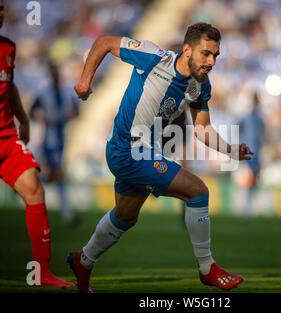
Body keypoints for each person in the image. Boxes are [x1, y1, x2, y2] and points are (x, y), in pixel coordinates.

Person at [68, 22, 254, 293]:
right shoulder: (153, 57)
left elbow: (202, 128)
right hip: (126, 149)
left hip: (147, 152)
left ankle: (82, 261)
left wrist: (230, 149)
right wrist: (85, 81)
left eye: (215, 55)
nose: (211, 61)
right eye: (206, 54)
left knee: (125, 216)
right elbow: (106, 42)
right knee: (198, 191)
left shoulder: (200, 86)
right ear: (187, 50)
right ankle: (207, 267)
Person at [0, 0, 74, 287]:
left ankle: (41, 273)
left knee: (34, 189)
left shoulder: (9, 48)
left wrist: (22, 119)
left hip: (6, 138)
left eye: (0, 9)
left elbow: (8, 85)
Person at [30, 60, 79, 225]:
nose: (54, 75)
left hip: (63, 139)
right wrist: (42, 117)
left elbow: (76, 112)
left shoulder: (67, 92)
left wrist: (69, 115)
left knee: (53, 176)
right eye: (52, 72)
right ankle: (68, 215)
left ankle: (28, 185)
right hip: (50, 140)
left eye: (56, 72)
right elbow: (32, 112)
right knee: (59, 175)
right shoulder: (43, 92)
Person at [238, 91, 265, 220]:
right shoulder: (247, 117)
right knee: (247, 181)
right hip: (248, 154)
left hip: (256, 154)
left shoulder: (259, 118)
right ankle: (245, 210)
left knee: (254, 182)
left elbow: (262, 137)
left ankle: (248, 209)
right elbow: (238, 132)